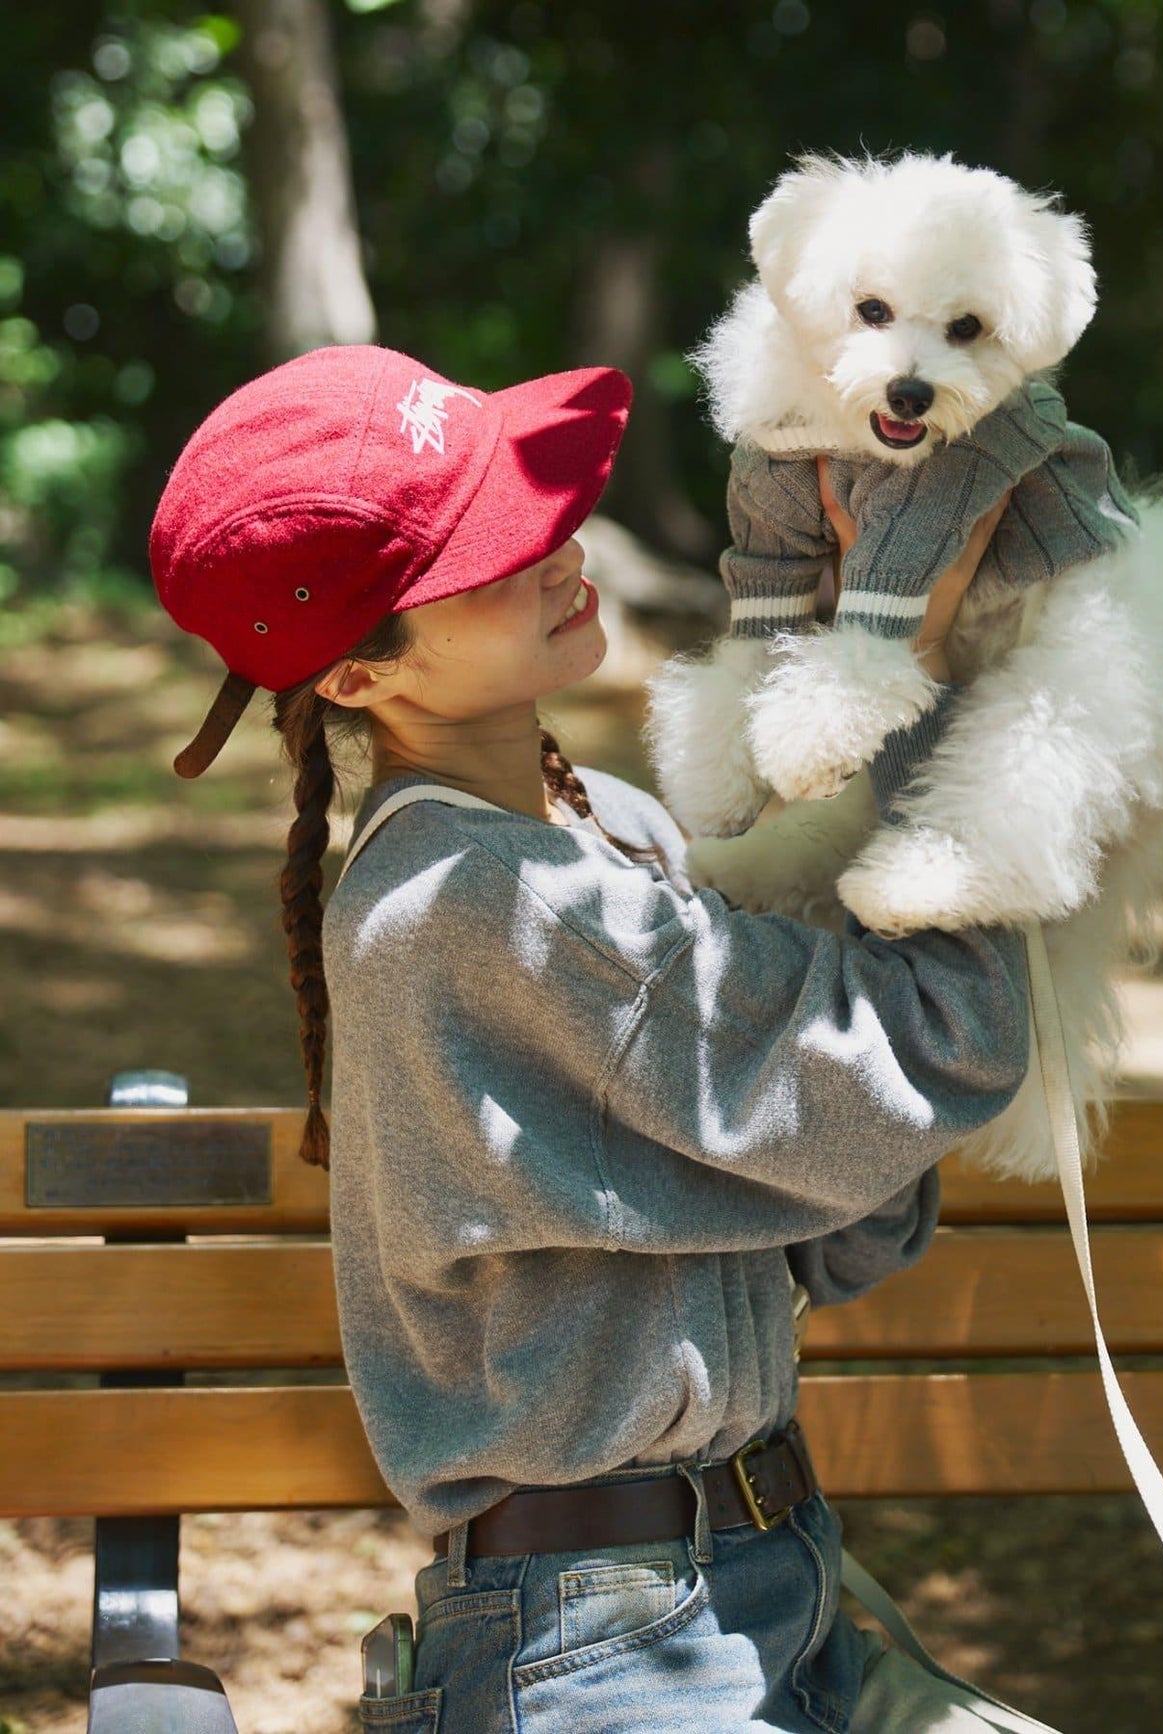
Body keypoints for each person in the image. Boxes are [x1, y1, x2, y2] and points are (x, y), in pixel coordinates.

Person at [150, 342, 1047, 1733]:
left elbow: (848, 1215)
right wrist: (910, 672)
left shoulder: (605, 833)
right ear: (353, 676)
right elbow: (939, 1051)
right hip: (615, 1645)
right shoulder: (482, 903)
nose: (552, 547)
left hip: (764, 1572)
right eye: (483, 555)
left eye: (528, 506)